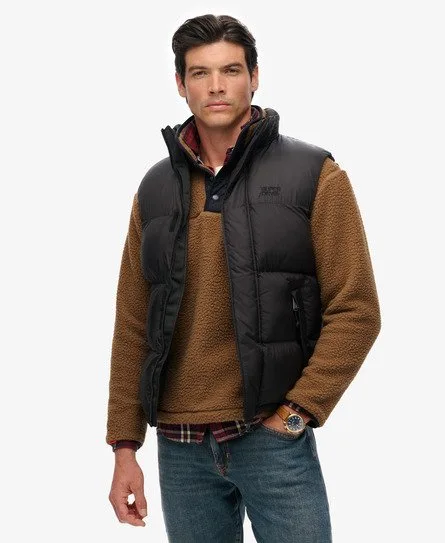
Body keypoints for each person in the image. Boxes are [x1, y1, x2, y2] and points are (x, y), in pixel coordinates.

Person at [106, 13, 381, 542]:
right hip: (179, 447)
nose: (216, 86)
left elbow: (357, 309)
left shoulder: (313, 175)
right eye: (200, 73)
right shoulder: (155, 189)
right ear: (181, 83)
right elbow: (133, 324)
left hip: (270, 437)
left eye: (230, 70)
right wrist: (124, 446)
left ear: (254, 77)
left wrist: (296, 416)